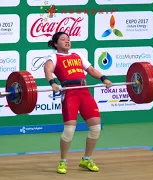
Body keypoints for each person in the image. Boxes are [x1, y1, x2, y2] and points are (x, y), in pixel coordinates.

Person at [44, 32, 112, 174]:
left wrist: (104, 79)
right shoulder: (53, 57)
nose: (67, 41)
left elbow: (91, 70)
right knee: (69, 130)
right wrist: (53, 83)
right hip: (70, 93)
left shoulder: (78, 55)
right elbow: (48, 71)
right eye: (63, 39)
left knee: (96, 128)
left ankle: (86, 159)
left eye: (68, 39)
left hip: (84, 92)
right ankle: (63, 162)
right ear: (56, 44)